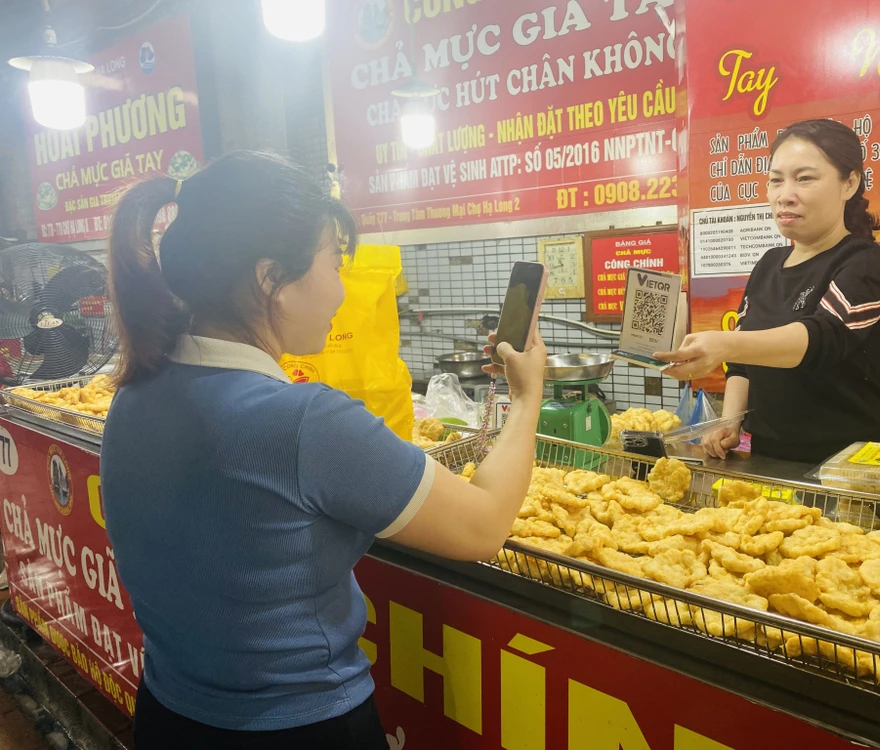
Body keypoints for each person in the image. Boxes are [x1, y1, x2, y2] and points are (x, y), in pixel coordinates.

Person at [100, 151, 546, 750]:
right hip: (299, 728)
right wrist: (526, 397)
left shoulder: (134, 395)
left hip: (168, 716)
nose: (341, 290)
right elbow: (483, 526)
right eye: (335, 262)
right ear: (270, 280)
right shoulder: (304, 422)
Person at [658, 119, 880, 464]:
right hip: (768, 455)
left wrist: (724, 344)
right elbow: (743, 359)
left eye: (805, 178)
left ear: (850, 183)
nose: (785, 195)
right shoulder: (770, 263)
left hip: (846, 460)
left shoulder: (865, 263)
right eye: (776, 180)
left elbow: (821, 338)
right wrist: (730, 420)